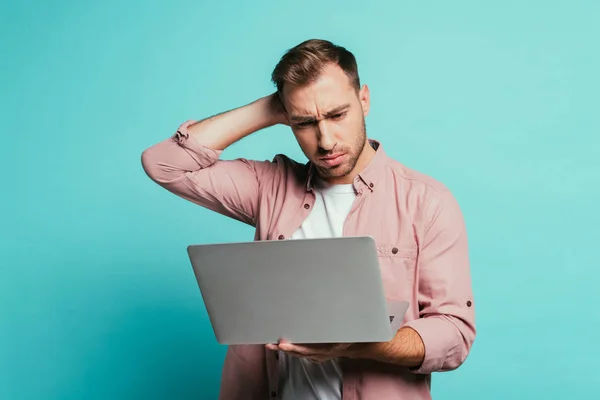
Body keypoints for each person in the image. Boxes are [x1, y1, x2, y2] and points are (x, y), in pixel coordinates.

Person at [141, 39, 476, 400]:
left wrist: (364, 346)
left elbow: (454, 333)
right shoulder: (269, 187)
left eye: (337, 115)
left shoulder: (427, 202)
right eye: (304, 122)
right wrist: (269, 108)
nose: (326, 141)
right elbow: (164, 164)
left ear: (364, 99)